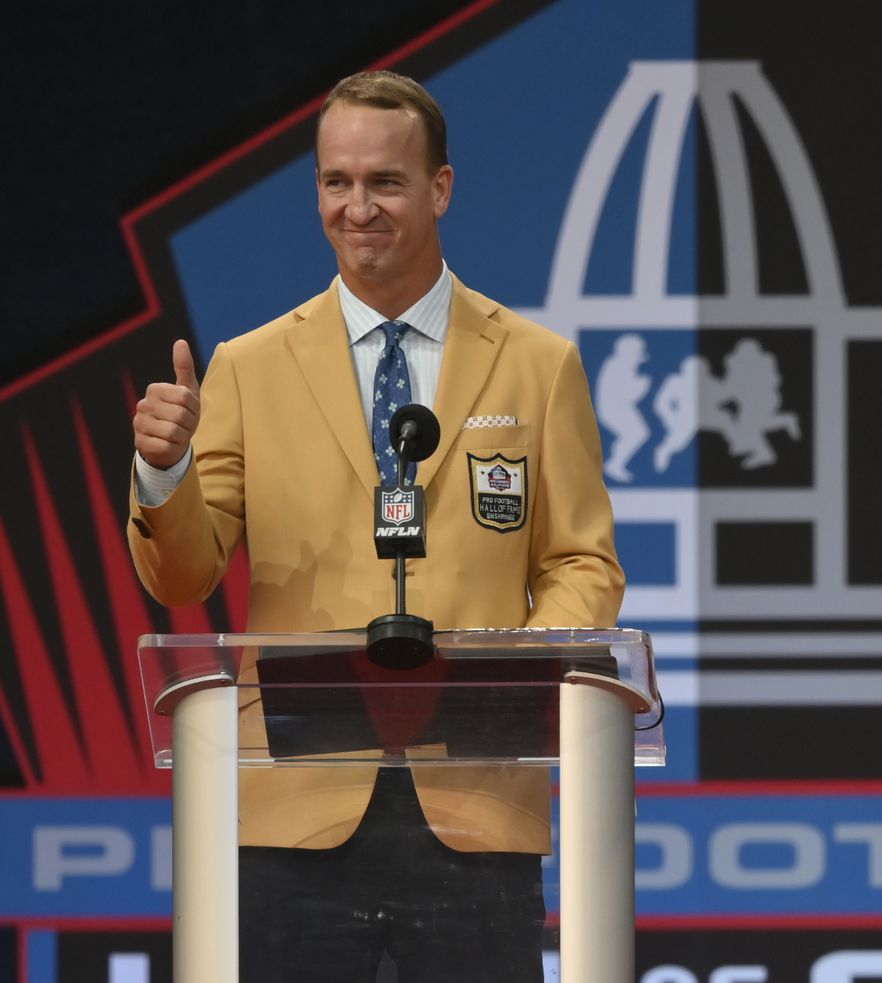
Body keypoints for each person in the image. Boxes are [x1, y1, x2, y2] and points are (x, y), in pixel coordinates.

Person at [127, 70, 623, 982]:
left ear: (440, 188)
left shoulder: (537, 366)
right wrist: (166, 469)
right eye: (336, 182)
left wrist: (501, 674)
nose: (358, 207)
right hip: (292, 811)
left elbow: (582, 562)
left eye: (385, 183)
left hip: (476, 803)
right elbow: (183, 577)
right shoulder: (247, 368)